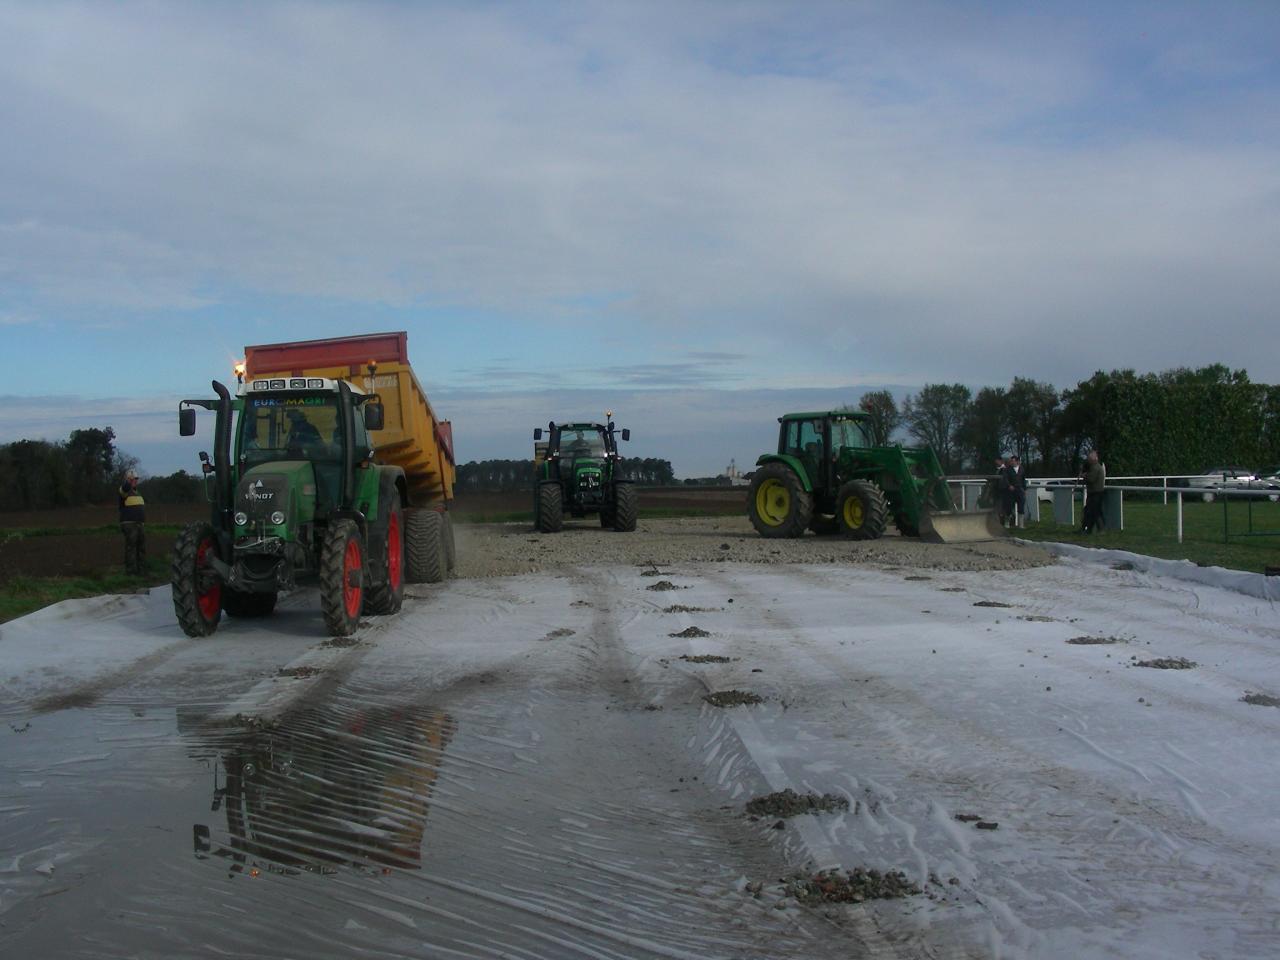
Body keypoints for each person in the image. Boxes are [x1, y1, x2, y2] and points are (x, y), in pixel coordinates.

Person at [118, 470, 146, 575]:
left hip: (139, 524)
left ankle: (141, 570)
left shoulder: (138, 493)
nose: (135, 481)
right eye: (133, 479)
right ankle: (131, 571)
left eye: (136, 479)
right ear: (128, 480)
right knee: (131, 547)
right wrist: (128, 481)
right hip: (129, 524)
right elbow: (124, 489)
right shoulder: (124, 491)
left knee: (141, 547)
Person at [1079, 450, 1106, 533]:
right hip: (1094, 492)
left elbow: (1091, 479)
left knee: (1094, 512)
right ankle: (1088, 529)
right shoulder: (1095, 467)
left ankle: (1097, 529)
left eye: (1089, 458)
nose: (1088, 460)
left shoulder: (1095, 468)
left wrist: (1084, 475)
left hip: (1096, 493)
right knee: (1092, 511)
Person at [1005, 454, 1027, 524]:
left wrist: (1025, 489)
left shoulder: (1022, 469)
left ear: (1017, 461)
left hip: (1020, 489)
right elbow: (1006, 479)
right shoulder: (1008, 470)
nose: (1012, 462)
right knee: (1009, 506)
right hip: (1011, 490)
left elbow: (1023, 480)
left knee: (1021, 506)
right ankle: (1007, 522)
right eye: (1011, 461)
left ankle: (1021, 524)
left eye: (1013, 461)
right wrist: (1009, 485)